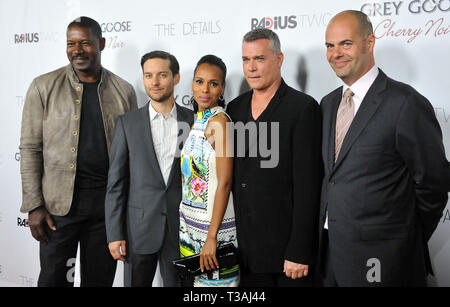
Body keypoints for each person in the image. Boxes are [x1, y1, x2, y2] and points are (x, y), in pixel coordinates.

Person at [319, 10, 450, 287]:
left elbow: (434, 183)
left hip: (385, 259)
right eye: (330, 45)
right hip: (331, 257)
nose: (336, 53)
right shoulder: (328, 104)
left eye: (346, 43)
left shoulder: (405, 102)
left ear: (369, 43)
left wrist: (401, 238)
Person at [19, 16, 137, 287]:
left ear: (102, 44)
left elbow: (132, 155)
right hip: (58, 211)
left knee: (99, 282)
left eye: (85, 43)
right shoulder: (43, 86)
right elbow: (29, 148)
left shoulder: (124, 91)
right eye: (71, 43)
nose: (77, 50)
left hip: (105, 212)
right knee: (54, 281)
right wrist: (34, 205)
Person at [226, 28, 323, 287]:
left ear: (279, 59)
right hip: (244, 252)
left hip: (288, 258)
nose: (251, 67)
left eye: (259, 59)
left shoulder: (302, 108)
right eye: (246, 60)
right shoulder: (234, 109)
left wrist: (299, 250)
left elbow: (308, 187)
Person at [105, 51, 194, 287]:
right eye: (148, 75)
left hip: (182, 231)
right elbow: (116, 184)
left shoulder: (193, 121)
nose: (154, 82)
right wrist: (115, 234)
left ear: (175, 78)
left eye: (162, 75)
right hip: (138, 230)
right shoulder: (127, 124)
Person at [179, 55, 239, 287]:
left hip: (213, 231)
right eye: (199, 81)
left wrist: (212, 237)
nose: (205, 89)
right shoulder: (197, 120)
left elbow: (225, 183)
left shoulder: (220, 122)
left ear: (222, 88)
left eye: (213, 83)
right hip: (190, 227)